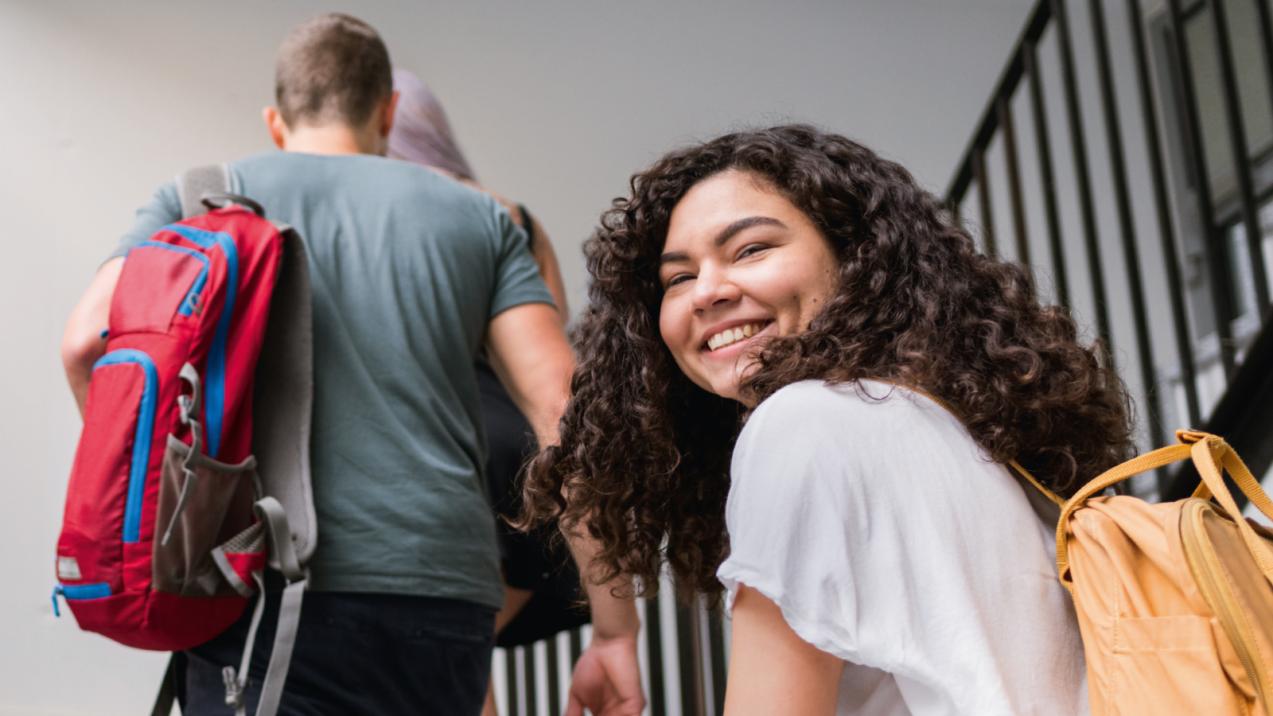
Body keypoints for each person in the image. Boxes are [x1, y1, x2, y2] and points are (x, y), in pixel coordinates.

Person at [60, 14, 640, 715]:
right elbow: (561, 411)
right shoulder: (479, 220)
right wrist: (616, 629)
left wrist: (164, 499)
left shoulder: (198, 197)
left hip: (259, 582)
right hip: (442, 587)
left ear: (275, 120)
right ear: (387, 112)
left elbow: (86, 342)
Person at [524, 125, 1135, 714]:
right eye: (678, 278)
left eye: (752, 249)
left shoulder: (802, 424)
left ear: (856, 257)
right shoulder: (952, 431)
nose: (707, 291)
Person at [387, 68, 589, 715]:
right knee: (459, 666)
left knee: (434, 669)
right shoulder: (511, 216)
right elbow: (549, 357)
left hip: (432, 450)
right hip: (517, 455)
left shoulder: (369, 212)